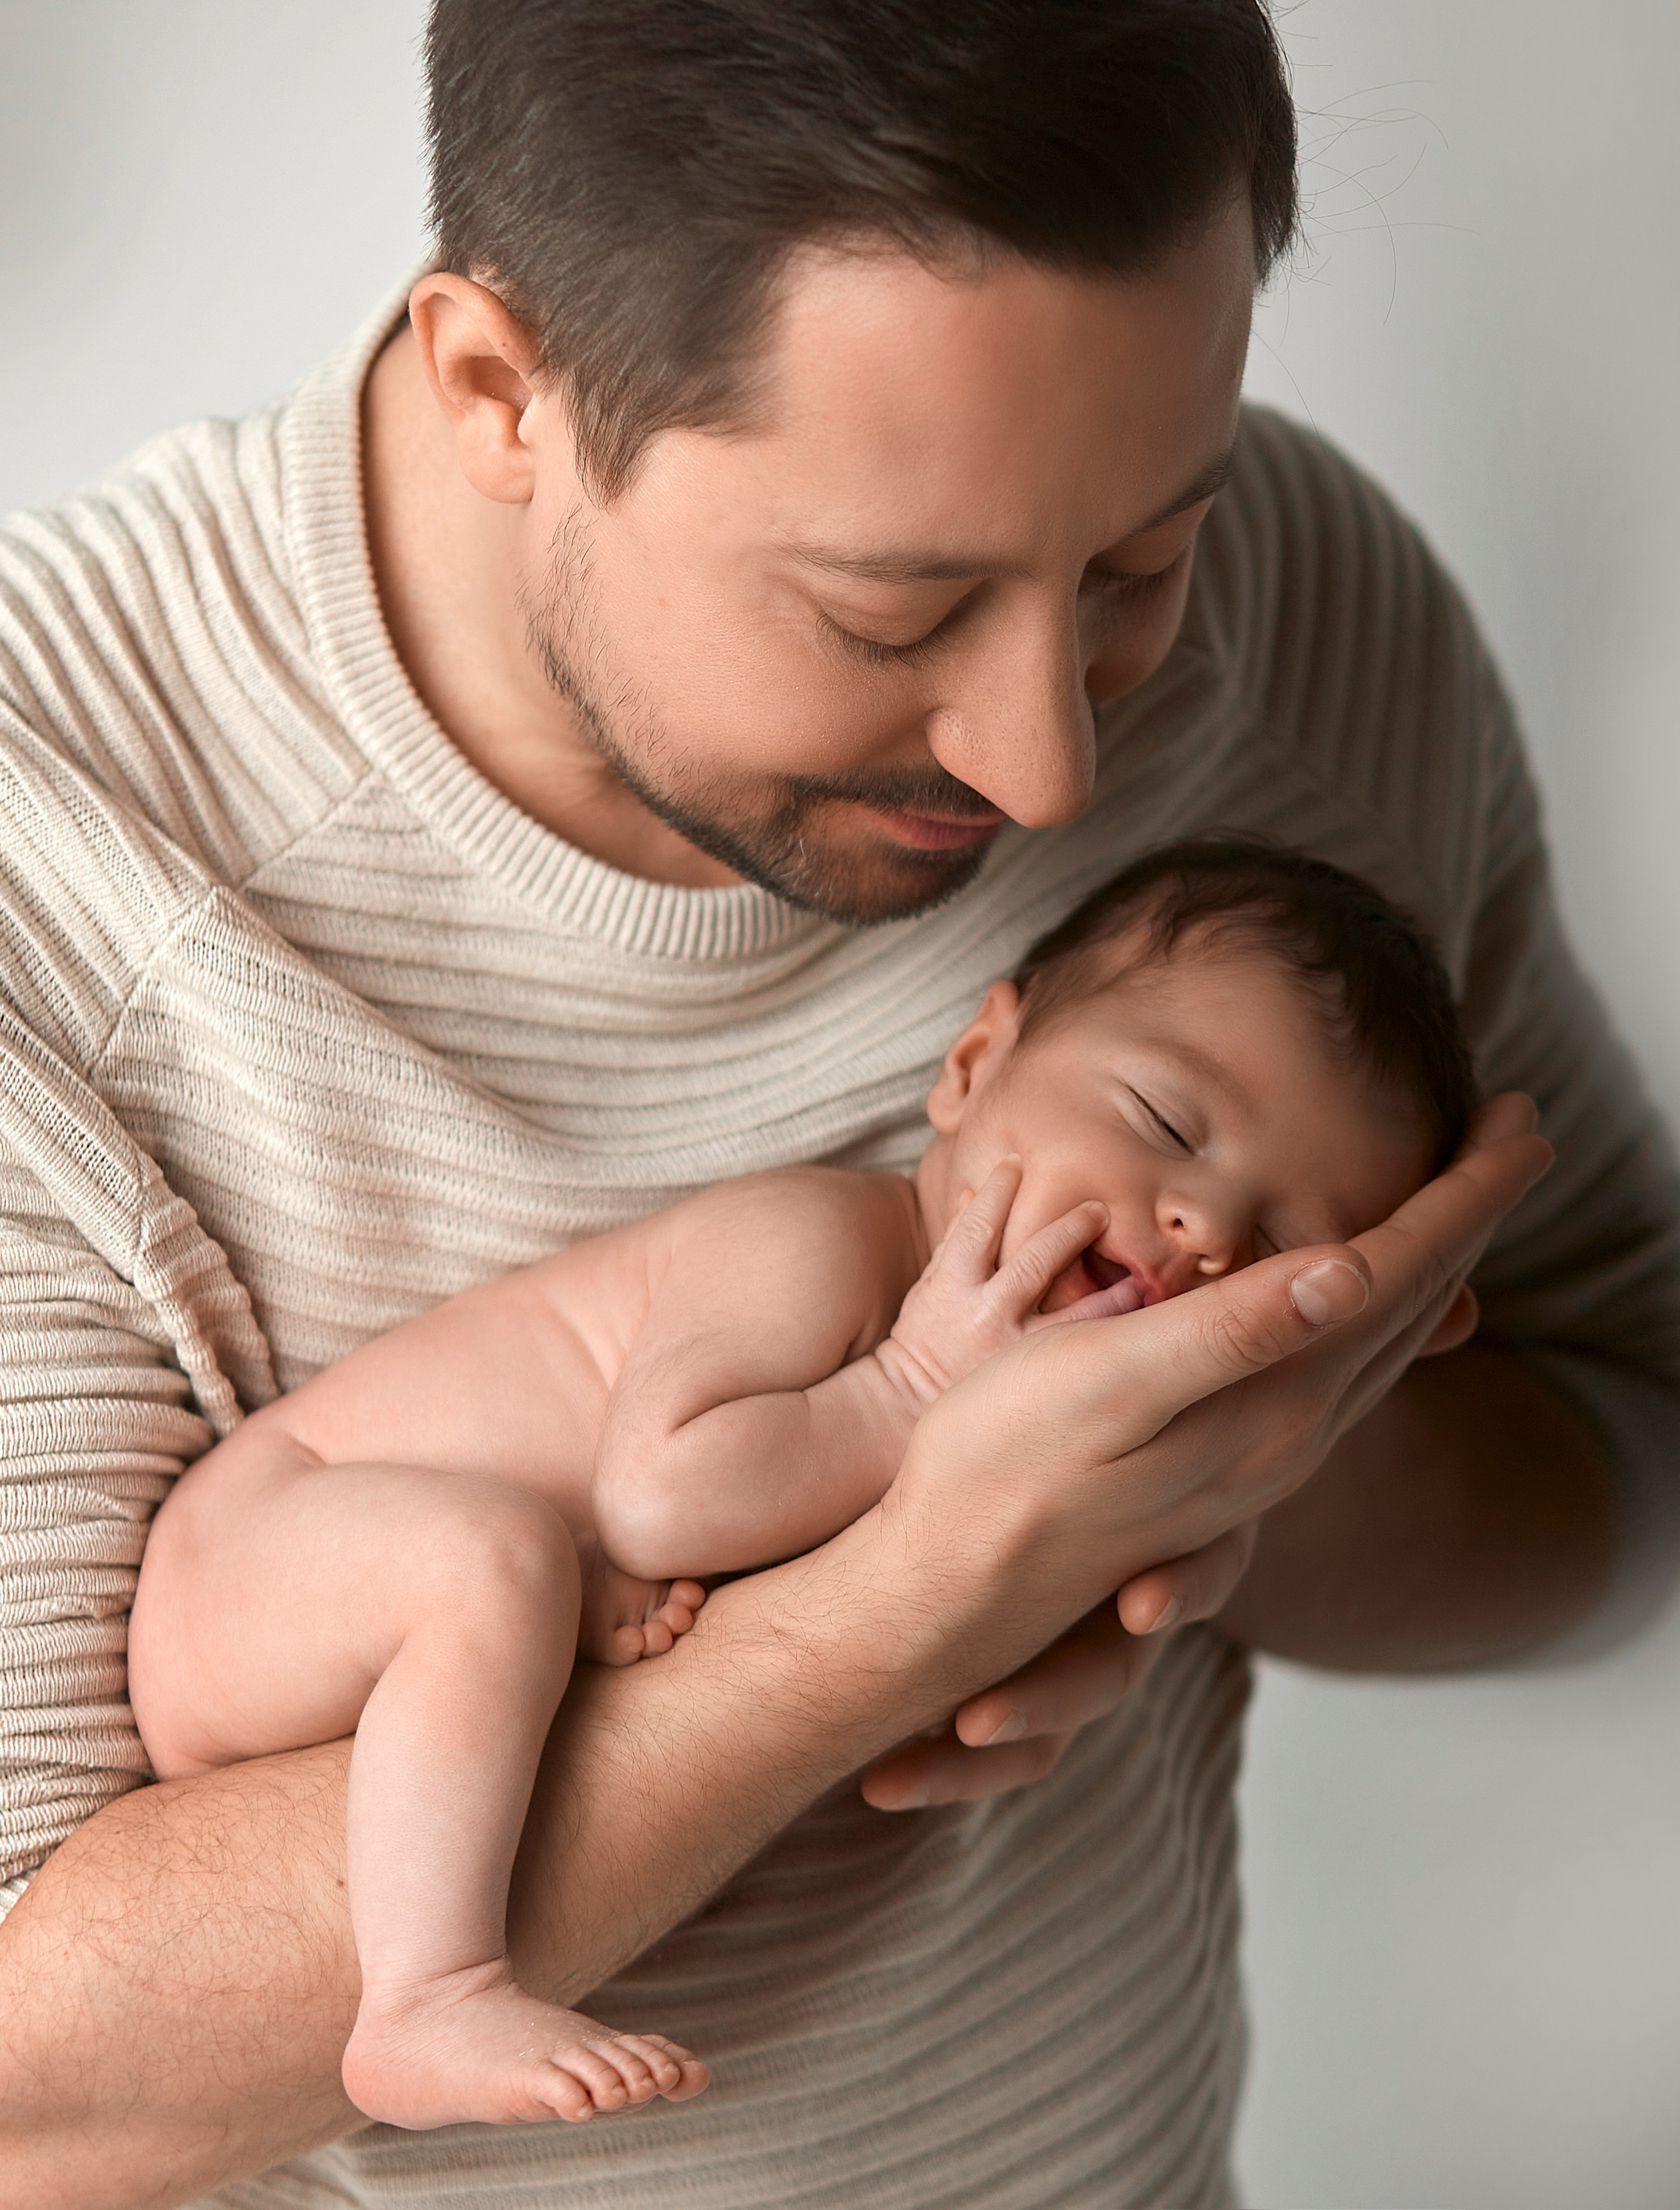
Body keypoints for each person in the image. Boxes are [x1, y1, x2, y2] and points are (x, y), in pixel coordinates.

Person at [0, 0, 1680, 2210]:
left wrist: (1239, 1476)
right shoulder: (57, 860)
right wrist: (912, 1588)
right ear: (501, 388)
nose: (1053, 765)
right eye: (889, 609)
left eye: (1133, 567)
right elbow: (25, 2079)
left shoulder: (1308, 601)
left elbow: (1635, 1466)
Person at [128, 840, 1480, 2135]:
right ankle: (428, 1996)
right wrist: (909, 1383)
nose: (1204, 1227)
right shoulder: (817, 1241)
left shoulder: (1006, 1412)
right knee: (491, 1559)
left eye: (1284, 1241)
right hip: (267, 1556)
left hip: (376, 1685)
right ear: (973, 1066)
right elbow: (664, 1497)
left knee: (505, 1571)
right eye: (1164, 1121)